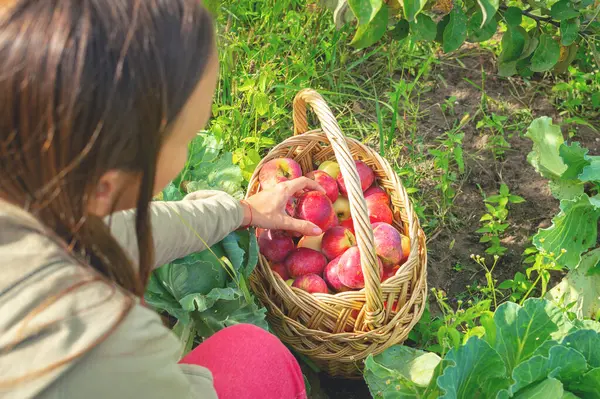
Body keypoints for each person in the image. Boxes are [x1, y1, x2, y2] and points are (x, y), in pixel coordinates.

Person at [0, 1, 324, 398]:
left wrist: (243, 211)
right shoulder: (99, 344)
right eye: (187, 138)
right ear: (106, 185)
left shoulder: (33, 180)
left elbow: (116, 232)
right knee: (259, 357)